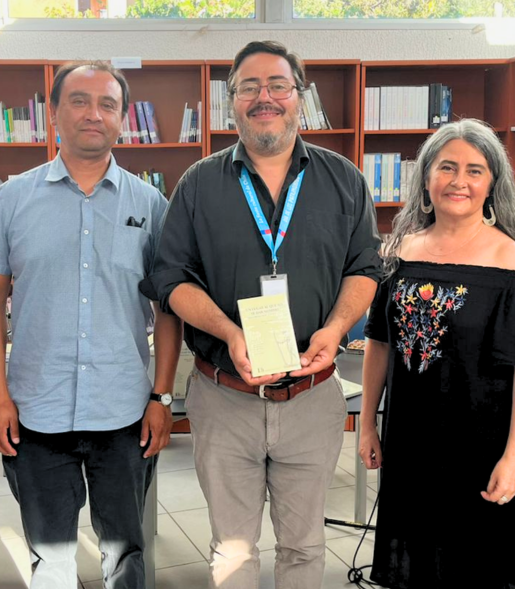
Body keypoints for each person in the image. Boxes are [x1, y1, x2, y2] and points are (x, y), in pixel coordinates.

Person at [140, 40, 382, 588]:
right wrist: (229, 331)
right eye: (248, 87)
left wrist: (337, 328)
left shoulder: (344, 180)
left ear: (300, 97)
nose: (263, 97)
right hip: (224, 396)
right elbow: (169, 280)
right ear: (231, 102)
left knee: (304, 546)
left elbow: (366, 267)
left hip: (312, 396)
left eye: (277, 85)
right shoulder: (198, 185)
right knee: (232, 550)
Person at [0, 61, 181, 589]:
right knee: (50, 557)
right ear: (53, 113)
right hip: (36, 412)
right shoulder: (12, 200)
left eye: (107, 104)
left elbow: (169, 307)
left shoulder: (150, 205)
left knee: (126, 553)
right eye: (80, 101)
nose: (94, 114)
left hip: (124, 411)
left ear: (122, 118)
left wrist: (162, 398)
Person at [358, 119, 515, 588]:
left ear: (492, 184)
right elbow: (379, 342)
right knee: (417, 558)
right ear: (426, 178)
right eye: (446, 167)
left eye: (474, 170)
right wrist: (367, 423)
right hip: (410, 438)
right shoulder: (399, 254)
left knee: (477, 563)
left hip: (482, 445)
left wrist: (514, 456)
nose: (459, 181)